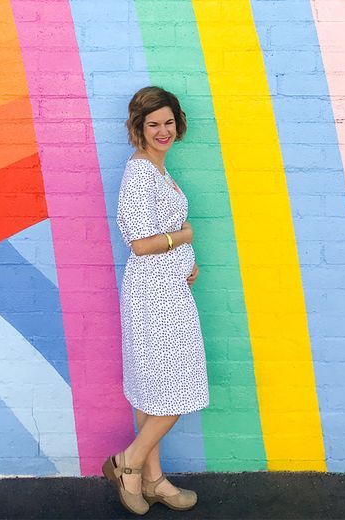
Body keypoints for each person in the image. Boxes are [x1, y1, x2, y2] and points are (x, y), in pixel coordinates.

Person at [103, 86, 209, 515]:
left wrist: (188, 259)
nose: (163, 130)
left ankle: (153, 480)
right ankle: (125, 463)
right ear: (139, 128)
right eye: (153, 124)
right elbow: (142, 244)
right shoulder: (139, 174)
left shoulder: (159, 171)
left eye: (168, 122)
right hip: (154, 294)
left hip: (168, 288)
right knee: (175, 389)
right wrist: (184, 237)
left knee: (154, 391)